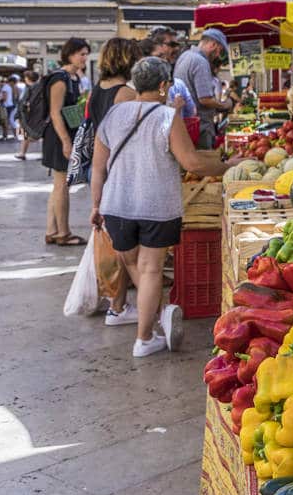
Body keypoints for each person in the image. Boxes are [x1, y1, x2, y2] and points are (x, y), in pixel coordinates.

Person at [90, 56, 245, 356]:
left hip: (116, 204)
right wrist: (229, 167)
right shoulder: (165, 117)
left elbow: (98, 168)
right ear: (163, 86)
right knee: (149, 271)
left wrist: (95, 204)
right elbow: (192, 162)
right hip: (155, 206)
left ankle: (154, 322)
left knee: (134, 264)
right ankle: (144, 338)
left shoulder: (113, 115)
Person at [87, 38, 142, 326]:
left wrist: (96, 202)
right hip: (124, 174)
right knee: (128, 250)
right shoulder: (126, 94)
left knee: (118, 245)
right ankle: (137, 311)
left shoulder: (97, 91)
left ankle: (117, 305)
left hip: (103, 170)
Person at [44, 37, 90, 246]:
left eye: (86, 54)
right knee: (63, 185)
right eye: (81, 54)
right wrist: (65, 142)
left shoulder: (73, 78)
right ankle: (63, 232)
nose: (85, 58)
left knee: (58, 185)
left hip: (64, 135)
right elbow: (55, 113)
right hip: (58, 136)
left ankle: (52, 230)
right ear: (70, 54)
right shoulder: (60, 79)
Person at [173, 29, 233, 149]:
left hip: (184, 122)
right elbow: (205, 99)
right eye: (219, 51)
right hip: (200, 126)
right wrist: (225, 105)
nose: (217, 55)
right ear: (213, 45)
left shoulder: (184, 56)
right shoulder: (201, 62)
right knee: (204, 162)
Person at [15, 71, 41, 160]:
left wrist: (18, 115)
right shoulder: (39, 88)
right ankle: (23, 153)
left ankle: (22, 153)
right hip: (36, 115)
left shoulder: (30, 88)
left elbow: (23, 103)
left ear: (28, 79)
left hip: (29, 116)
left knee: (26, 134)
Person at [0, 74, 17, 141]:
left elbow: (4, 98)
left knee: (7, 122)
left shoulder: (5, 87)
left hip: (7, 106)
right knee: (9, 121)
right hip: (9, 106)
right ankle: (8, 136)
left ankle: (7, 136)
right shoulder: (8, 87)